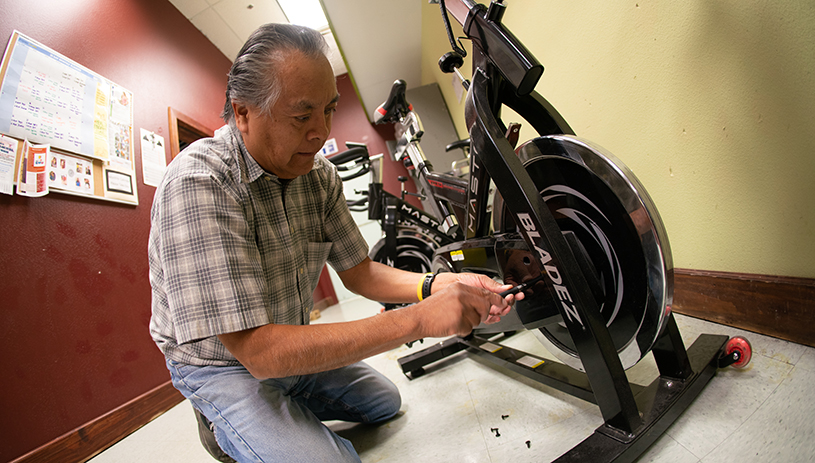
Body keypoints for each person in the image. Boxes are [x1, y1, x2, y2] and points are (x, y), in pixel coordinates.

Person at [148, 23, 519, 463]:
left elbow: (360, 272)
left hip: (286, 342)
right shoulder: (200, 181)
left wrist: (436, 285)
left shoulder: (318, 176)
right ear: (243, 112)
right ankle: (222, 422)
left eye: (329, 110)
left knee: (385, 402)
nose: (321, 131)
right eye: (302, 116)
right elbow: (259, 352)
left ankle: (283, 405)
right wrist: (419, 320)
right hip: (223, 363)